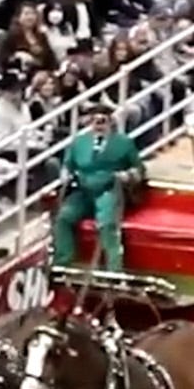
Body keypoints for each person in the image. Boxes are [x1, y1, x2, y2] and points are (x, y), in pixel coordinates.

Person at [52, 101, 144, 270]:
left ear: (110, 122)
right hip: (82, 190)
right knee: (64, 217)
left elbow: (139, 169)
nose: (99, 125)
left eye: (103, 121)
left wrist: (127, 175)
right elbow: (68, 164)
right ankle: (63, 262)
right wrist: (65, 174)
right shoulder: (79, 142)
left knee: (107, 224)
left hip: (109, 189)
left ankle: (114, 269)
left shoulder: (124, 143)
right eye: (95, 121)